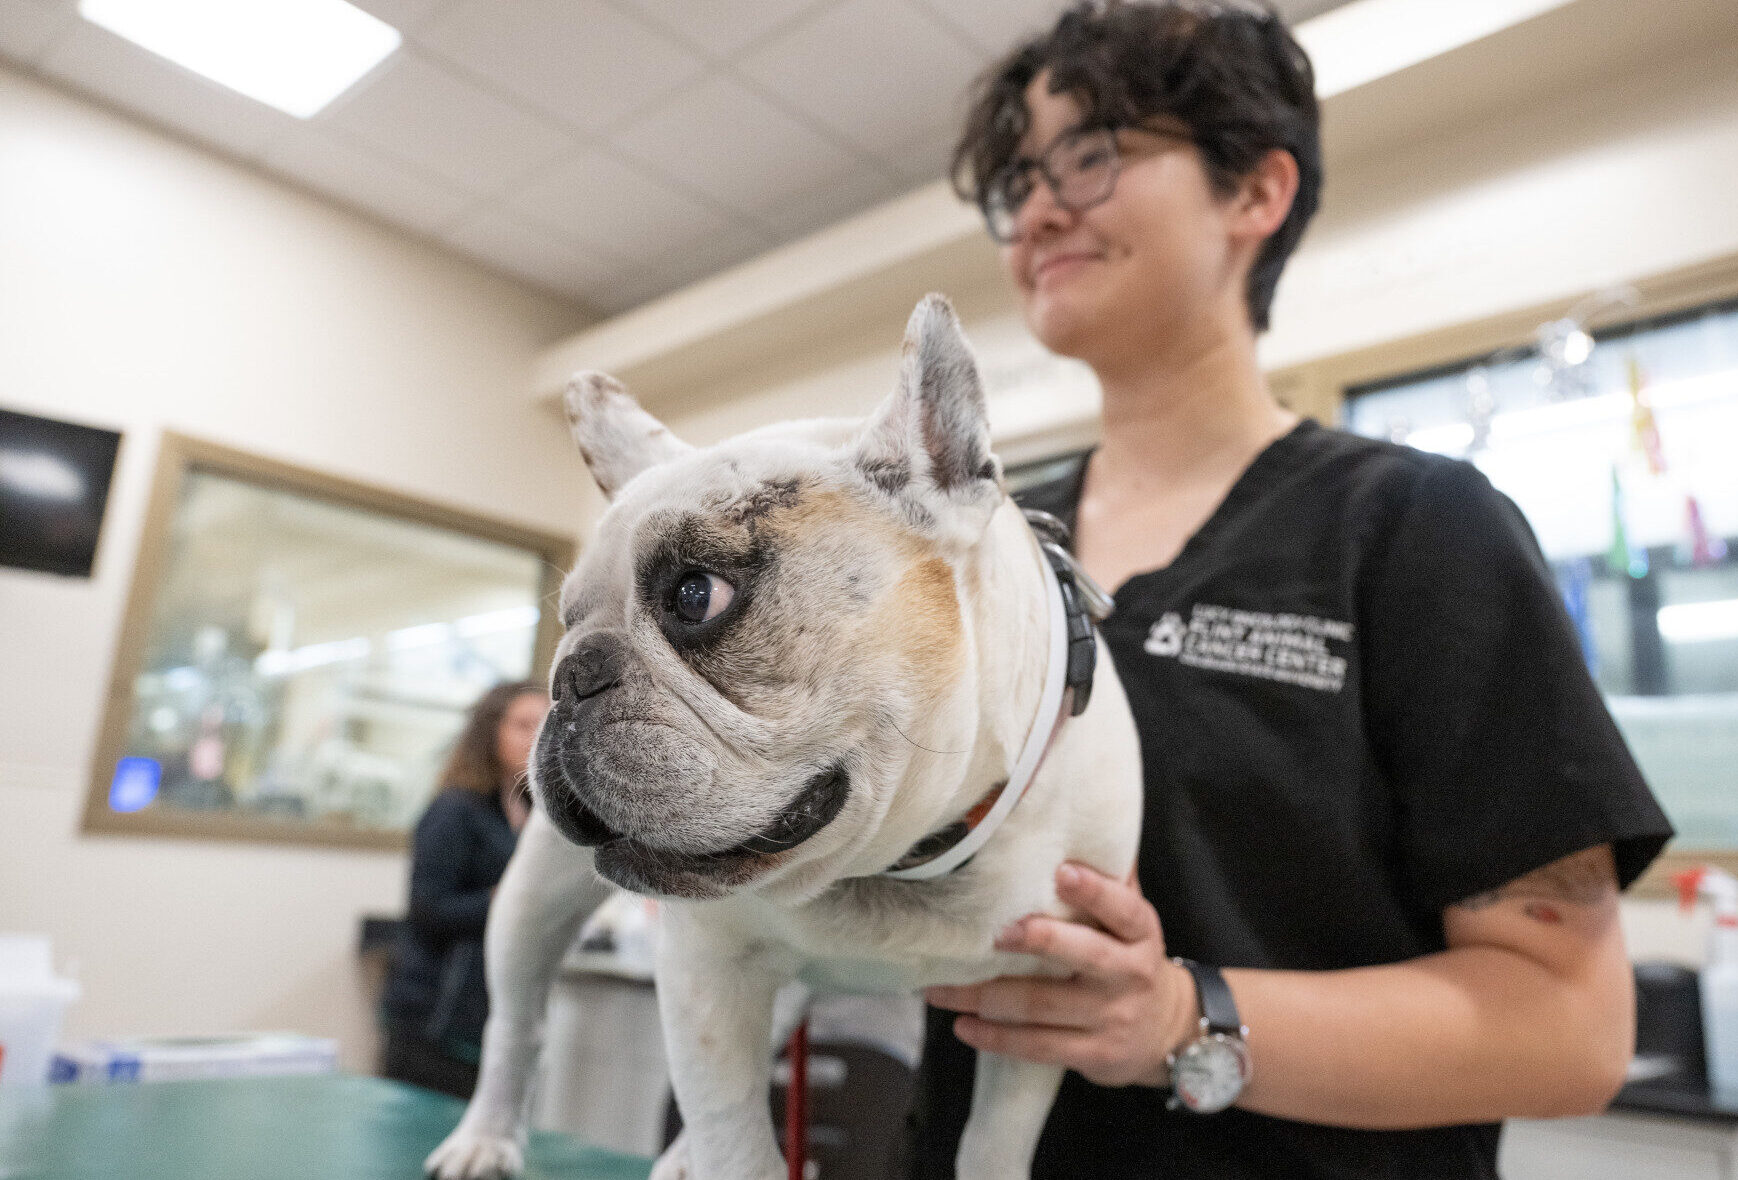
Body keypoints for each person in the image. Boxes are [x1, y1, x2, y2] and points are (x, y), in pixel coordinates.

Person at [911, 3, 1674, 1176]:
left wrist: (1179, 1018)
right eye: (1022, 179)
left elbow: (1567, 1028)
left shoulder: (1415, 528)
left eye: (1093, 152)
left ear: (1255, 193)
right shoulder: (984, 545)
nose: (1042, 209)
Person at [379, 679, 548, 1099]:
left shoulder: (534, 813)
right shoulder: (455, 809)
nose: (536, 736)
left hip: (488, 1014)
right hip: (435, 1016)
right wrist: (505, 900)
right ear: (490, 731)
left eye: (545, 723)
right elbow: (429, 908)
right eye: (523, 724)